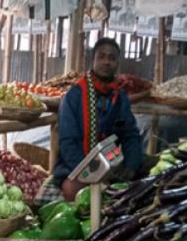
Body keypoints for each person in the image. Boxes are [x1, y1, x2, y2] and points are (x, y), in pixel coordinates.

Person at [52, 38, 144, 201]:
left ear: (117, 63)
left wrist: (131, 167)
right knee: (72, 189)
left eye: (112, 58)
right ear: (93, 60)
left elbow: (131, 135)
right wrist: (92, 174)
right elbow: (68, 143)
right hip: (75, 168)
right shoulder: (73, 97)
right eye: (101, 56)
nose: (106, 62)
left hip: (110, 167)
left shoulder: (120, 99)